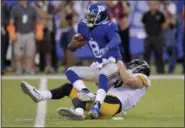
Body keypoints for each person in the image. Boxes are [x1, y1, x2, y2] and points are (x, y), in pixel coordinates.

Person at [20, 59, 151, 120]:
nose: (129, 66)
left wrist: (119, 63)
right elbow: (102, 87)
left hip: (113, 103)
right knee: (69, 88)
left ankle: (79, 112)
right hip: (107, 102)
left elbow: (129, 80)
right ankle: (41, 95)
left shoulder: (142, 77)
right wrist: (100, 72)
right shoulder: (125, 75)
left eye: (131, 65)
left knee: (83, 96)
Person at [65, 2, 122, 119]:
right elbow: (78, 43)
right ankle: (87, 92)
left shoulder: (109, 25)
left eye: (92, 16)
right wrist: (73, 45)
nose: (88, 19)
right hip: (99, 65)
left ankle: (97, 106)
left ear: (100, 16)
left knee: (102, 75)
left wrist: (106, 47)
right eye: (88, 15)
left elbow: (117, 39)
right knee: (70, 71)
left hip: (113, 64)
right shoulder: (83, 25)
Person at [7, 0, 43, 75]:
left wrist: (39, 31)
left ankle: (28, 69)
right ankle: (19, 69)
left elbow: (37, 21)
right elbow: (11, 21)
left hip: (30, 33)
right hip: (19, 33)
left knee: (30, 52)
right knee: (18, 53)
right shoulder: (15, 8)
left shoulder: (32, 8)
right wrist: (12, 32)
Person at [142, 1, 165, 74]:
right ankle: (146, 71)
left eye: (155, 4)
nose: (153, 6)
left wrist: (159, 33)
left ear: (157, 5)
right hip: (148, 37)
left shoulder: (160, 14)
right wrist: (147, 33)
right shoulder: (146, 14)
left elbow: (163, 24)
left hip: (157, 37)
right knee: (146, 55)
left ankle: (160, 70)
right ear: (149, 5)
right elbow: (144, 24)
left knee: (159, 54)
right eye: (152, 4)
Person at [32, 0, 54, 73]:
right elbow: (33, 18)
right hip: (37, 29)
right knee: (35, 49)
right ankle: (34, 67)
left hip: (46, 29)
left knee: (47, 50)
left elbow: (50, 16)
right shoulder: (33, 5)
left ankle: (48, 67)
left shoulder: (48, 5)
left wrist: (43, 17)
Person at [162, 1, 177, 74]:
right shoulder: (160, 5)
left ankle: (171, 68)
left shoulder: (171, 5)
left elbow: (172, 15)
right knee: (162, 49)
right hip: (162, 29)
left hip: (170, 30)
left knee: (170, 49)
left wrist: (166, 7)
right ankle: (161, 69)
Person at [1, 0, 10, 75]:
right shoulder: (3, 6)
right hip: (2, 31)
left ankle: (2, 67)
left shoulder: (4, 6)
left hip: (3, 30)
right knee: (2, 51)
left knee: (3, 51)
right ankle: (1, 67)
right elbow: (6, 20)